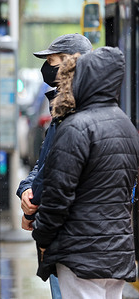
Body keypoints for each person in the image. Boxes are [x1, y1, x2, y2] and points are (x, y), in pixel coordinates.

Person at [32, 46, 139, 298]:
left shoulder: (77, 127)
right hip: (117, 252)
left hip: (80, 250)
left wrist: (43, 236)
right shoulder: (126, 125)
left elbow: (58, 196)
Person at [16, 33, 92, 298]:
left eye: (53, 61)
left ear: (73, 63)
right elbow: (45, 163)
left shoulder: (82, 114)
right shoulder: (60, 110)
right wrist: (26, 189)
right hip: (66, 234)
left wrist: (35, 211)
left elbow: (61, 177)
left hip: (74, 236)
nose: (47, 69)